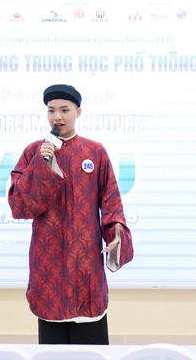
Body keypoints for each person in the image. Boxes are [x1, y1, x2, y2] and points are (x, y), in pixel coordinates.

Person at [8, 84, 133, 345]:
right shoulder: (33, 152)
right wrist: (40, 165)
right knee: (52, 345)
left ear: (78, 112)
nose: (57, 117)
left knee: (91, 342)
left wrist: (115, 232)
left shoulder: (94, 151)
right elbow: (20, 206)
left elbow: (110, 198)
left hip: (86, 257)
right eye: (51, 110)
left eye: (64, 110)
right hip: (48, 256)